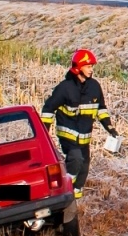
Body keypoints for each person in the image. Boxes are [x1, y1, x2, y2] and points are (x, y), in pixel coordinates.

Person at [40, 48, 117, 203]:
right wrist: (45, 133)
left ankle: (74, 203)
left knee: (83, 171)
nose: (91, 69)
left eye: (92, 66)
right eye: (88, 66)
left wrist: (110, 127)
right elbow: (48, 109)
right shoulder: (64, 88)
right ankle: (63, 190)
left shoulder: (94, 86)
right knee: (75, 160)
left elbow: (101, 109)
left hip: (85, 138)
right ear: (78, 67)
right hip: (68, 137)